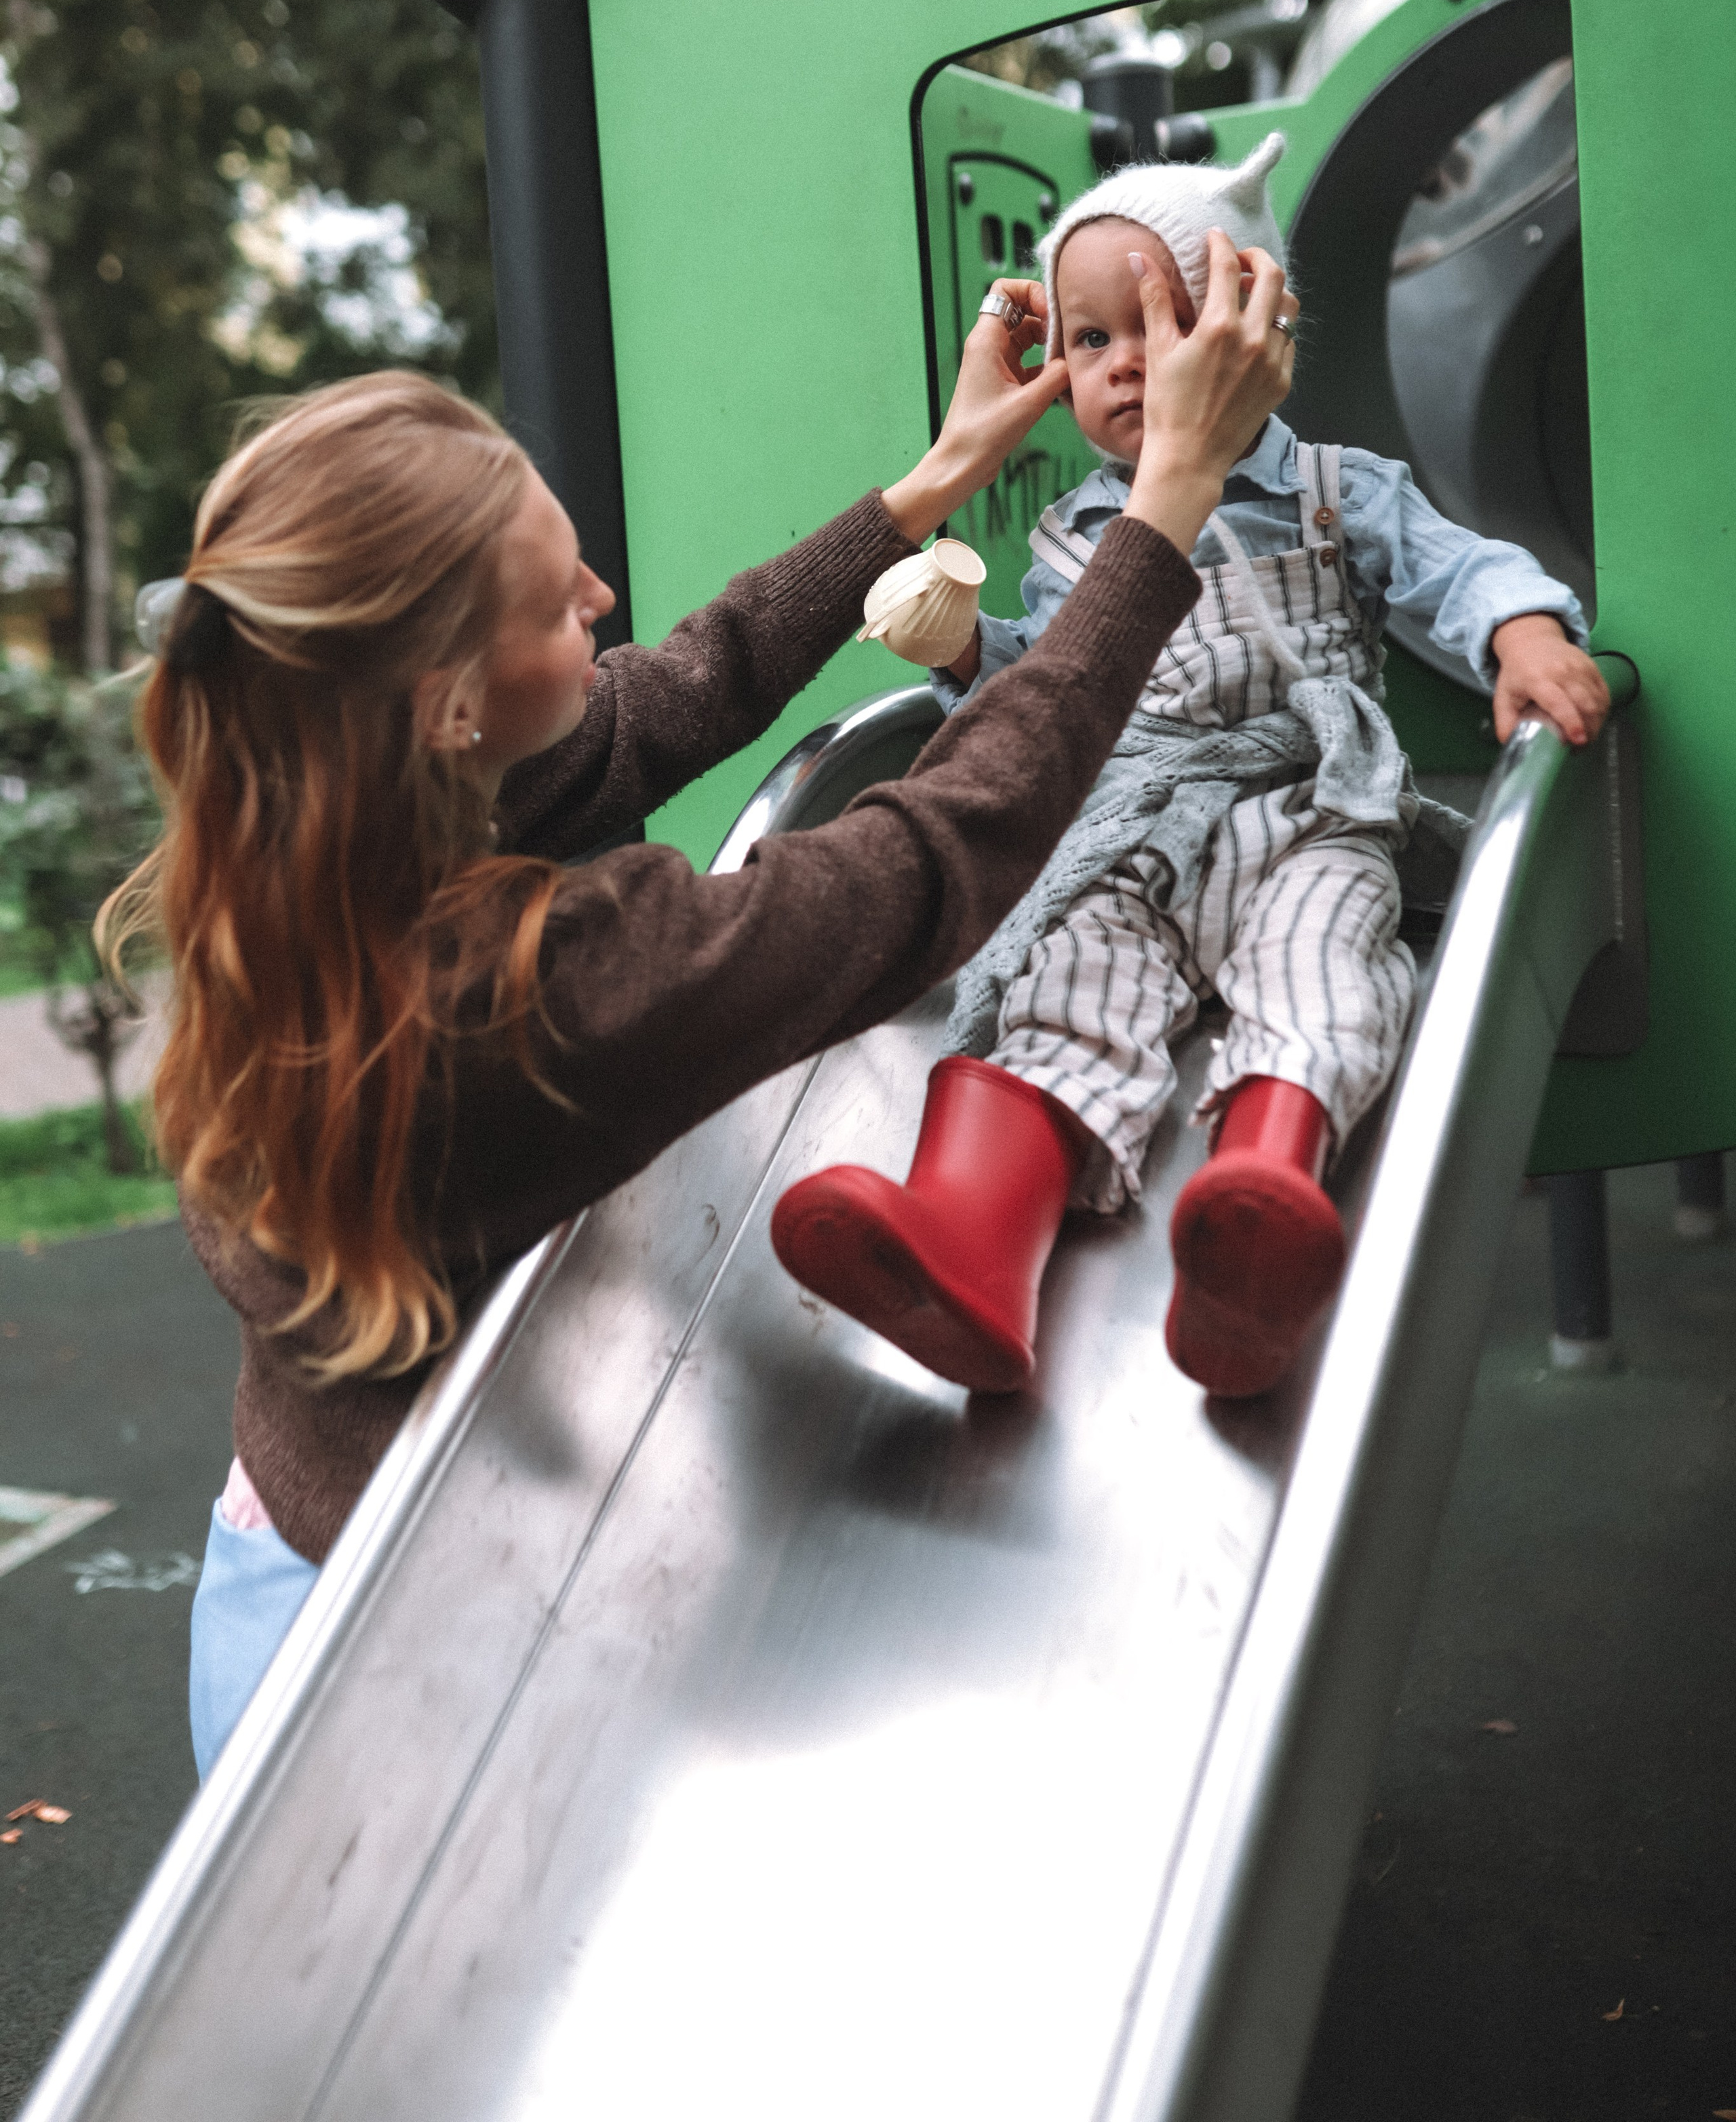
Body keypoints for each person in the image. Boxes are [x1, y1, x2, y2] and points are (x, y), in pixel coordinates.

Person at [104, 261, 1293, 1776]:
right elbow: (925, 864)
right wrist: (1167, 503)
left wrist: (930, 488)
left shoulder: (291, 852)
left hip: (281, 1529)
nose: (601, 600)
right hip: (393, 1646)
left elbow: (659, 698)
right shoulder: (532, 993)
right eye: (558, 600)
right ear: (449, 708)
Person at [770, 134, 1611, 1402]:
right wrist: (966, 652)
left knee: (1327, 953)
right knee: (1066, 969)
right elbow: (1048, 682)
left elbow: (1460, 564)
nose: (1118, 367)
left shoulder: (1337, 491)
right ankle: (969, 1236)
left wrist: (1523, 630)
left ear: (1252, 329)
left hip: (1303, 811)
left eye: (1158, 326)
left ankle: (1261, 1202)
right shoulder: (1077, 537)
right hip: (1135, 825)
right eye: (1090, 339)